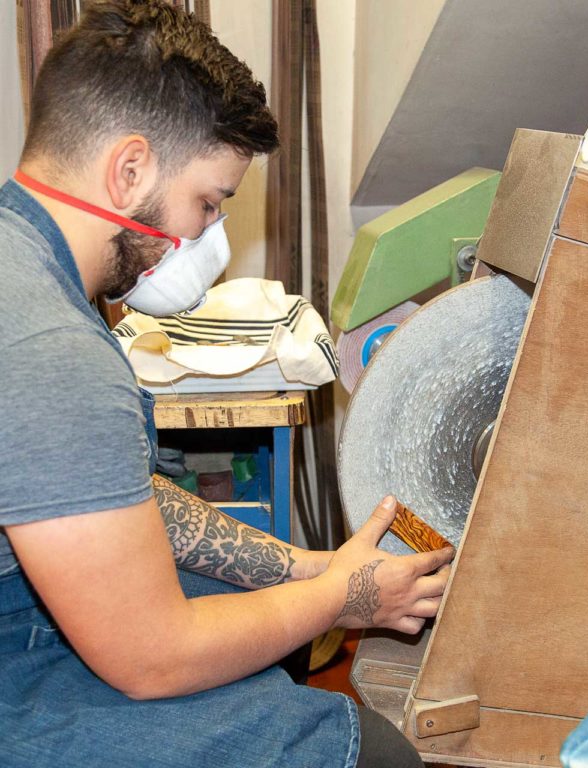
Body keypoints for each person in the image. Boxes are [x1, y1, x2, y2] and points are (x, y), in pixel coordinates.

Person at [0, 2, 454, 766]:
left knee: (272, 630)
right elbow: (151, 659)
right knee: (374, 753)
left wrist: (316, 567)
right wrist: (347, 597)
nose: (211, 236)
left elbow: (119, 498)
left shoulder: (21, 261)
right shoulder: (51, 350)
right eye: (208, 204)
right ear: (130, 169)